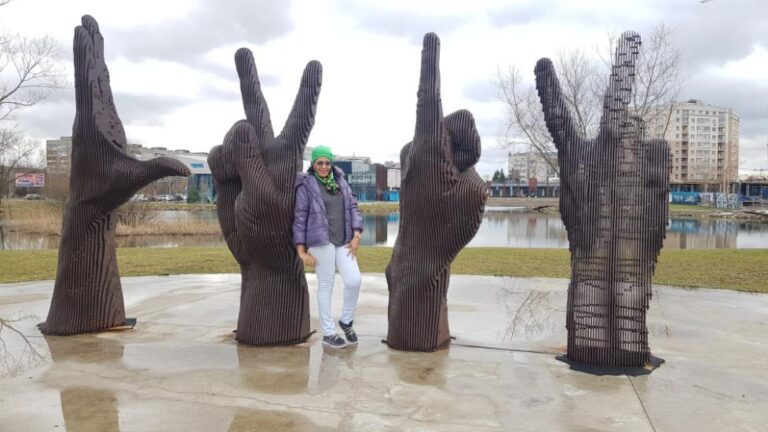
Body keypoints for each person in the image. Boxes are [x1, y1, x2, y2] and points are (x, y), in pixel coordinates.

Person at [293, 146, 363, 349]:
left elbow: (353, 208)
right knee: (326, 284)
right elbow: (299, 218)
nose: (324, 166)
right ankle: (329, 333)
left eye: (327, 162)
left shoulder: (341, 182)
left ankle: (346, 321)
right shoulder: (306, 185)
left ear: (332, 163)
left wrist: (357, 234)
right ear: (313, 165)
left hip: (344, 240)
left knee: (354, 280)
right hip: (320, 241)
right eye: (319, 163)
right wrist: (301, 250)